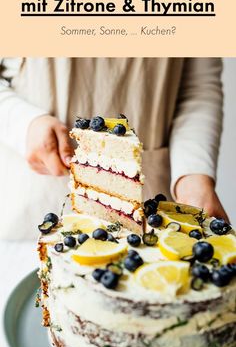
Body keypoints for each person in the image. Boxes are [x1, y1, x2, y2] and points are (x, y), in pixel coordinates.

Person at [0, 57, 227, 240]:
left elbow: (198, 89)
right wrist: (22, 122)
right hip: (34, 201)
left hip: (146, 204)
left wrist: (193, 176)